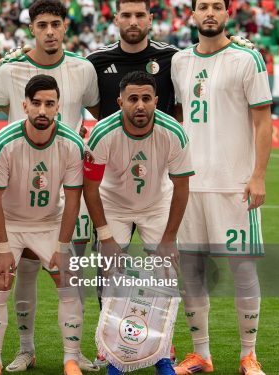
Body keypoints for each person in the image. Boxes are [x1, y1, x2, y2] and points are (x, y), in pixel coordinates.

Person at [0, 0, 99, 371]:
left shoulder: (83, 69)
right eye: (42, 25)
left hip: (62, 192)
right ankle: (24, 348)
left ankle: (74, 351)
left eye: (56, 24)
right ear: (31, 28)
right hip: (18, 188)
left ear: (65, 26)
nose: (49, 31)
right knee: (20, 275)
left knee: (70, 271)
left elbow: (100, 113)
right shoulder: (10, 68)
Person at [170, 0, 273, 373]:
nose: (209, 12)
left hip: (234, 186)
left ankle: (249, 355)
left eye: (217, 5)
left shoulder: (248, 59)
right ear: (193, 14)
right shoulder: (179, 62)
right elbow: (179, 116)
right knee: (192, 274)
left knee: (243, 272)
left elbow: (263, 122)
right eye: (203, 6)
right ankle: (201, 354)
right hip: (190, 187)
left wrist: (258, 175)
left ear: (227, 13)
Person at [83, 71, 193, 375]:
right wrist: (105, 238)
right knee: (110, 275)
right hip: (113, 204)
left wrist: (169, 239)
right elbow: (90, 189)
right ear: (120, 102)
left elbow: (181, 187)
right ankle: (110, 350)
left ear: (156, 101)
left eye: (146, 98)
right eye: (133, 99)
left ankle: (162, 352)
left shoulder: (174, 132)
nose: (140, 105)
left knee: (166, 276)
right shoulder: (102, 132)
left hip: (156, 204)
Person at [0, 75, 85, 375]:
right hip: (10, 223)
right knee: (1, 282)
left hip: (49, 222)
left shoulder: (71, 143)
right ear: (24, 105)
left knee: (68, 280)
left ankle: (71, 358)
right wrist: (2, 248)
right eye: (37, 103)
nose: (42, 110)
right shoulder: (4, 142)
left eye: (49, 104)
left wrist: (62, 247)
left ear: (58, 106)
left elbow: (73, 200)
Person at [86, 0, 180, 120]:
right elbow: (92, 107)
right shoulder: (96, 61)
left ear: (150, 20)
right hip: (113, 139)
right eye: (126, 15)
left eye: (140, 15)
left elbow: (182, 108)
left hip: (161, 138)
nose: (133, 22)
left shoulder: (172, 57)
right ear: (116, 20)